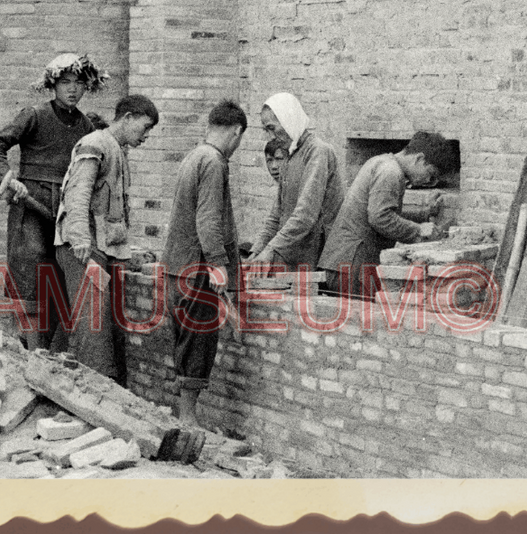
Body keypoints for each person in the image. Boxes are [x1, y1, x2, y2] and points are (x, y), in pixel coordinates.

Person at [0, 53, 106, 347]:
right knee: (30, 273)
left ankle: (51, 353)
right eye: (66, 82)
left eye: (79, 83)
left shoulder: (86, 127)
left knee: (61, 277)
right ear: (53, 84)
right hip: (31, 207)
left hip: (64, 211)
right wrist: (8, 179)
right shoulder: (35, 115)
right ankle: (32, 349)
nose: (72, 89)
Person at [54, 94, 158, 385]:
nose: (147, 136)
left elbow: (111, 213)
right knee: (93, 327)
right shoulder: (95, 143)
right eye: (145, 127)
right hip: (83, 250)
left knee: (102, 326)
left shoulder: (117, 150)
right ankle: (96, 400)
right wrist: (78, 239)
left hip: (100, 249)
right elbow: (78, 194)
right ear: (127, 118)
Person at [162, 100, 247, 427]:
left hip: (177, 267)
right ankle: (189, 418)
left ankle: (183, 415)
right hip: (197, 269)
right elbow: (208, 220)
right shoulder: (214, 161)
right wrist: (218, 264)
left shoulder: (193, 156)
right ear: (237, 131)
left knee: (185, 340)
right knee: (199, 341)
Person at [318, 131, 454, 298]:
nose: (428, 181)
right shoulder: (391, 172)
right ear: (419, 159)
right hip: (354, 264)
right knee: (359, 320)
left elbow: (384, 211)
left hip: (346, 262)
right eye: (431, 174)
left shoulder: (382, 162)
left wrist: (424, 214)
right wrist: (420, 231)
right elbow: (380, 218)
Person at [246, 93, 344, 275]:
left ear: (288, 120)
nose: (270, 136)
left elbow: (305, 215)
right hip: (294, 257)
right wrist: (256, 251)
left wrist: (270, 250)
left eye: (272, 128)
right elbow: (277, 215)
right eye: (266, 130)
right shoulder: (290, 155)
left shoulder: (318, 152)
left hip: (318, 259)